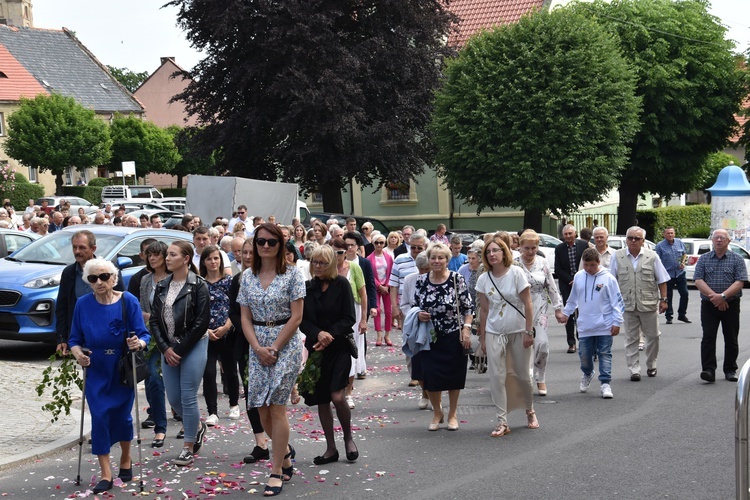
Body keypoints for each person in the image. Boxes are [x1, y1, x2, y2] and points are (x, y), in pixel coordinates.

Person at [68, 258, 150, 493]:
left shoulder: (128, 300)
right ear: (88, 282)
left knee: (123, 417)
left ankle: (126, 457)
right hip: (96, 368)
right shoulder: (83, 304)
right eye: (93, 278)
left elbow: (144, 335)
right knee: (100, 417)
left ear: (114, 277)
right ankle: (106, 473)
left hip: (122, 368)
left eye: (104, 276)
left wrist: (138, 344)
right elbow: (74, 339)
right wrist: (78, 355)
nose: (99, 282)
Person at [237, 223, 305, 496]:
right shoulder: (246, 277)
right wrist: (257, 347)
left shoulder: (292, 275)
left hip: (285, 343)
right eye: (261, 241)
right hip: (256, 345)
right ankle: (285, 452)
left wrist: (275, 346)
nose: (265, 246)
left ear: (280, 246)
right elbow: (244, 316)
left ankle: (276, 471)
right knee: (261, 410)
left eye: (271, 242)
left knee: (276, 406)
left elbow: (297, 316)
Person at [150, 240, 211, 466]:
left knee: (187, 395)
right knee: (174, 399)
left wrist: (179, 349)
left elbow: (201, 322)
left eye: (172, 255)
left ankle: (188, 446)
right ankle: (197, 426)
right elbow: (155, 320)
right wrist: (165, 348)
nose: (167, 258)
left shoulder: (198, 285)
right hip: (169, 348)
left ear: (186, 259)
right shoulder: (162, 285)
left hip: (193, 345)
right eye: (167, 254)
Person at [299, 245, 358, 465]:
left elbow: (348, 317)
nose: (318, 266)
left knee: (337, 396)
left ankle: (348, 438)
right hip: (317, 349)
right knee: (322, 399)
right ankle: (330, 448)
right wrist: (318, 334)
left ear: (331, 264)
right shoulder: (307, 287)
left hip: (339, 346)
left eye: (323, 262)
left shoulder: (341, 284)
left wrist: (329, 335)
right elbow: (302, 320)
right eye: (315, 262)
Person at [476, 237, 536, 438]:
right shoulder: (484, 279)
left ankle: (529, 410)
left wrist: (529, 331)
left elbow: (528, 303)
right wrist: (483, 338)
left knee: (521, 375)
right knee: (496, 377)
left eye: (496, 250)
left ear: (504, 253)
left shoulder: (517, 273)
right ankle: (502, 421)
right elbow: (484, 310)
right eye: (488, 252)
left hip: (518, 331)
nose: (492, 254)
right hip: (494, 332)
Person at [412, 243, 473, 431]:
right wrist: (419, 314)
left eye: (441, 258)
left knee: (454, 376)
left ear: (447, 260)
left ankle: (453, 414)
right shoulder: (421, 281)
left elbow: (468, 307)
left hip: (453, 335)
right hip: (428, 336)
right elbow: (415, 305)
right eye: (433, 257)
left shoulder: (457, 279)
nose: (436, 261)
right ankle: (438, 412)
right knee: (431, 376)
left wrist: (466, 329)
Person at [229, 238, 271, 465]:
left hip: (270, 341)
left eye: (250, 252)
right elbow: (234, 313)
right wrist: (250, 327)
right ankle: (260, 443)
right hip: (245, 343)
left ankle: (279, 440)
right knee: (252, 394)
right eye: (243, 252)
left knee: (271, 396)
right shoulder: (238, 280)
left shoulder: (272, 278)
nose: (246, 256)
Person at [561, 248, 624, 399]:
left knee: (604, 353)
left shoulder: (608, 278)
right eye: (586, 265)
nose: (589, 268)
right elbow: (573, 298)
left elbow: (617, 302)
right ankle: (587, 373)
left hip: (605, 324)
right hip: (585, 324)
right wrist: (566, 313)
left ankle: (605, 383)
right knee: (584, 355)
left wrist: (617, 322)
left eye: (592, 265)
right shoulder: (579, 276)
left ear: (598, 262)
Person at [609, 226, 669, 381]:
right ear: (626, 240)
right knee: (631, 338)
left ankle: (651, 364)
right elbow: (611, 280)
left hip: (648, 303)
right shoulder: (618, 256)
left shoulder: (652, 256)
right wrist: (611, 302)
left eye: (637, 238)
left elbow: (662, 280)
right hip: (627, 303)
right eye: (630, 238)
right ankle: (634, 369)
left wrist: (664, 300)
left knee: (653, 336)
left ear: (643, 241)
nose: (633, 241)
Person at [56, 230, 125, 355]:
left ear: (93, 248)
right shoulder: (69, 273)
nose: (77, 251)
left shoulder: (108, 270)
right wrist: (62, 338)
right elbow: (62, 307)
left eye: (82, 247)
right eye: (74, 247)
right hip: (82, 334)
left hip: (109, 333)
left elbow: (121, 301)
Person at [515, 230, 564, 396]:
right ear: (520, 247)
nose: (530, 252)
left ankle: (540, 377)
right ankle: (525, 378)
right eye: (527, 248)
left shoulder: (542, 262)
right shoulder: (514, 264)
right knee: (523, 345)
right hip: (519, 308)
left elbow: (551, 286)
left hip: (540, 305)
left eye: (534, 248)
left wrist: (558, 308)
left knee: (542, 344)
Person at [694, 229, 747, 382]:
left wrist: (723, 296)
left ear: (728, 241)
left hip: (730, 304)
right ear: (712, 240)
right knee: (708, 337)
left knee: (731, 338)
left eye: (722, 238)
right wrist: (715, 298)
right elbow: (698, 280)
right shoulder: (703, 259)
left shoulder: (737, 259)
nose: (718, 240)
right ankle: (708, 370)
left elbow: (740, 282)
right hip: (709, 305)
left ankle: (730, 370)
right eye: (716, 237)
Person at [199, 245, 240, 426]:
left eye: (216, 258)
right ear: (204, 262)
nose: (213, 262)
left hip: (227, 332)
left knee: (230, 371)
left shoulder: (229, 282)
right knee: (208, 373)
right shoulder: (200, 284)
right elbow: (196, 311)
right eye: (209, 259)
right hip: (206, 335)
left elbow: (237, 307)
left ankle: (234, 404)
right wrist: (205, 330)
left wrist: (226, 326)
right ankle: (212, 411)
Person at [137, 241, 170, 448]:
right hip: (150, 336)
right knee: (151, 378)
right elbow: (142, 308)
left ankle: (183, 419)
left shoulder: (174, 279)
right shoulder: (145, 280)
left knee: (167, 381)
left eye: (156, 254)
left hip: (170, 337)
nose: (152, 258)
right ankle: (159, 426)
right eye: (150, 255)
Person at [389, 233, 427, 384]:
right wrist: (394, 307)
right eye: (413, 247)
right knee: (410, 339)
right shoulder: (400, 259)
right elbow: (393, 284)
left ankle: (424, 371)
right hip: (407, 307)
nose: (416, 250)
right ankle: (414, 374)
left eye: (419, 247)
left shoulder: (429, 260)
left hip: (425, 307)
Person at [399, 251, 431, 408]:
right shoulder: (409, 279)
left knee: (433, 361)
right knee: (417, 360)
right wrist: (415, 314)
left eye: (426, 269)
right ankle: (425, 393)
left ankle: (433, 393)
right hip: (416, 325)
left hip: (434, 325)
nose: (423, 273)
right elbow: (404, 304)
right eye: (420, 269)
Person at [554, 224, 589, 353]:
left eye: (570, 233)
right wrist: (570, 279)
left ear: (575, 234)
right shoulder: (559, 249)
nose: (568, 236)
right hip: (567, 284)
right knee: (568, 313)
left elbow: (587, 263)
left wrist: (579, 279)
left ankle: (582, 338)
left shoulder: (583, 246)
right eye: (566, 234)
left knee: (581, 312)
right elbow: (557, 269)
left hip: (582, 283)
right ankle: (571, 342)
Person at [655, 226, 690, 324]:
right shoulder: (660, 246)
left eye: (671, 233)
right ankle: (669, 316)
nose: (670, 235)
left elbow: (685, 255)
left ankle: (682, 314)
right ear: (664, 234)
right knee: (668, 296)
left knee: (685, 293)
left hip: (679, 273)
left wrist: (683, 263)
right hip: (667, 274)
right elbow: (657, 260)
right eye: (668, 233)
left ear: (674, 234)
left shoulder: (679, 242)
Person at [367, 233, 393, 346]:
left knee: (388, 311)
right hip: (376, 286)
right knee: (376, 310)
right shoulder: (369, 258)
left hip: (387, 287)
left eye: (381, 242)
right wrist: (379, 286)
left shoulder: (388, 257)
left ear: (384, 243)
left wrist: (387, 285)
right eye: (376, 242)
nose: (379, 245)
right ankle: (378, 334)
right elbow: (370, 275)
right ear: (373, 243)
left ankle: (387, 334)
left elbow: (392, 272)